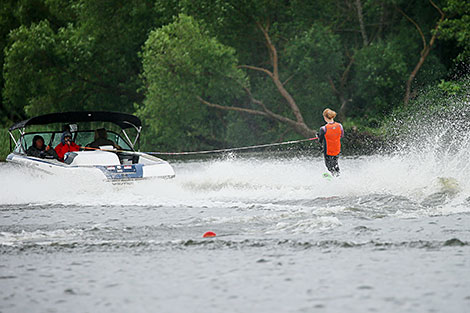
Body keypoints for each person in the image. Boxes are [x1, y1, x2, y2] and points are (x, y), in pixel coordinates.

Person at [318, 108, 344, 176]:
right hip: (337, 149)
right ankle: (338, 176)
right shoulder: (340, 126)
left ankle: (333, 177)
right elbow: (341, 135)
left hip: (328, 151)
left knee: (329, 166)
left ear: (325, 117)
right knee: (335, 163)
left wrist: (319, 136)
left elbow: (320, 140)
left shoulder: (323, 129)